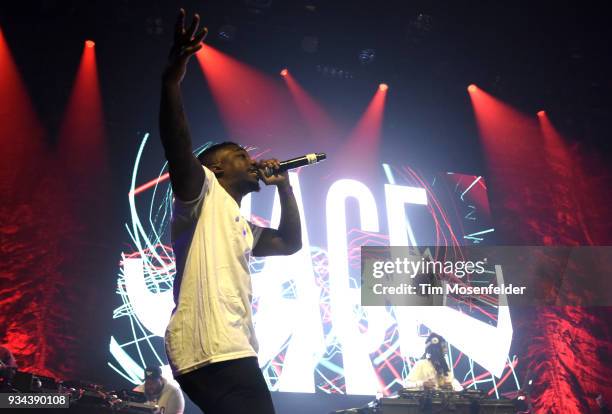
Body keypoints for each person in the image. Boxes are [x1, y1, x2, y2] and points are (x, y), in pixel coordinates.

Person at [159, 8, 302, 414]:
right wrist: (172, 81)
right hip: (210, 345)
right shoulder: (201, 194)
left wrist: (286, 189)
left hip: (231, 346)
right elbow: (176, 144)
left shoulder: (239, 223)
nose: (251, 160)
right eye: (240, 155)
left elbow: (289, 243)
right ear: (217, 167)